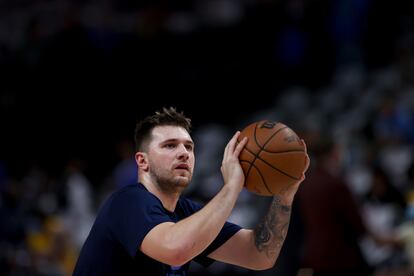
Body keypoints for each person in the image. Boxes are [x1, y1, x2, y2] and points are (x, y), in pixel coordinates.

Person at [73, 107, 309, 275]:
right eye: (170, 145)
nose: (184, 152)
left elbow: (259, 255)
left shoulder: (185, 212)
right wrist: (232, 187)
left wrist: (284, 195)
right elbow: (176, 250)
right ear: (142, 161)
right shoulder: (127, 202)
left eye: (189, 146)